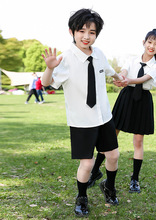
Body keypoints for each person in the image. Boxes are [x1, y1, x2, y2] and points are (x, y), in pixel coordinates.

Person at [41, 9, 123, 217]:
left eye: (92, 32)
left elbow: (112, 72)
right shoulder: (64, 59)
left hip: (103, 116)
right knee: (86, 164)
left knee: (113, 154)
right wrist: (49, 68)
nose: (87, 36)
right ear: (72, 32)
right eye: (82, 31)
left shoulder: (99, 54)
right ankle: (82, 197)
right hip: (81, 120)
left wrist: (119, 77)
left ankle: (109, 187)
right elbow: (46, 83)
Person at [88, 29, 156, 194]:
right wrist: (120, 77)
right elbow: (123, 72)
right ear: (144, 42)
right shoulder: (131, 60)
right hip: (126, 98)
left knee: (138, 142)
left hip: (142, 101)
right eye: (150, 42)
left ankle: (135, 179)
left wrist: (128, 80)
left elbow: (143, 79)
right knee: (110, 137)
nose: (152, 46)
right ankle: (94, 172)